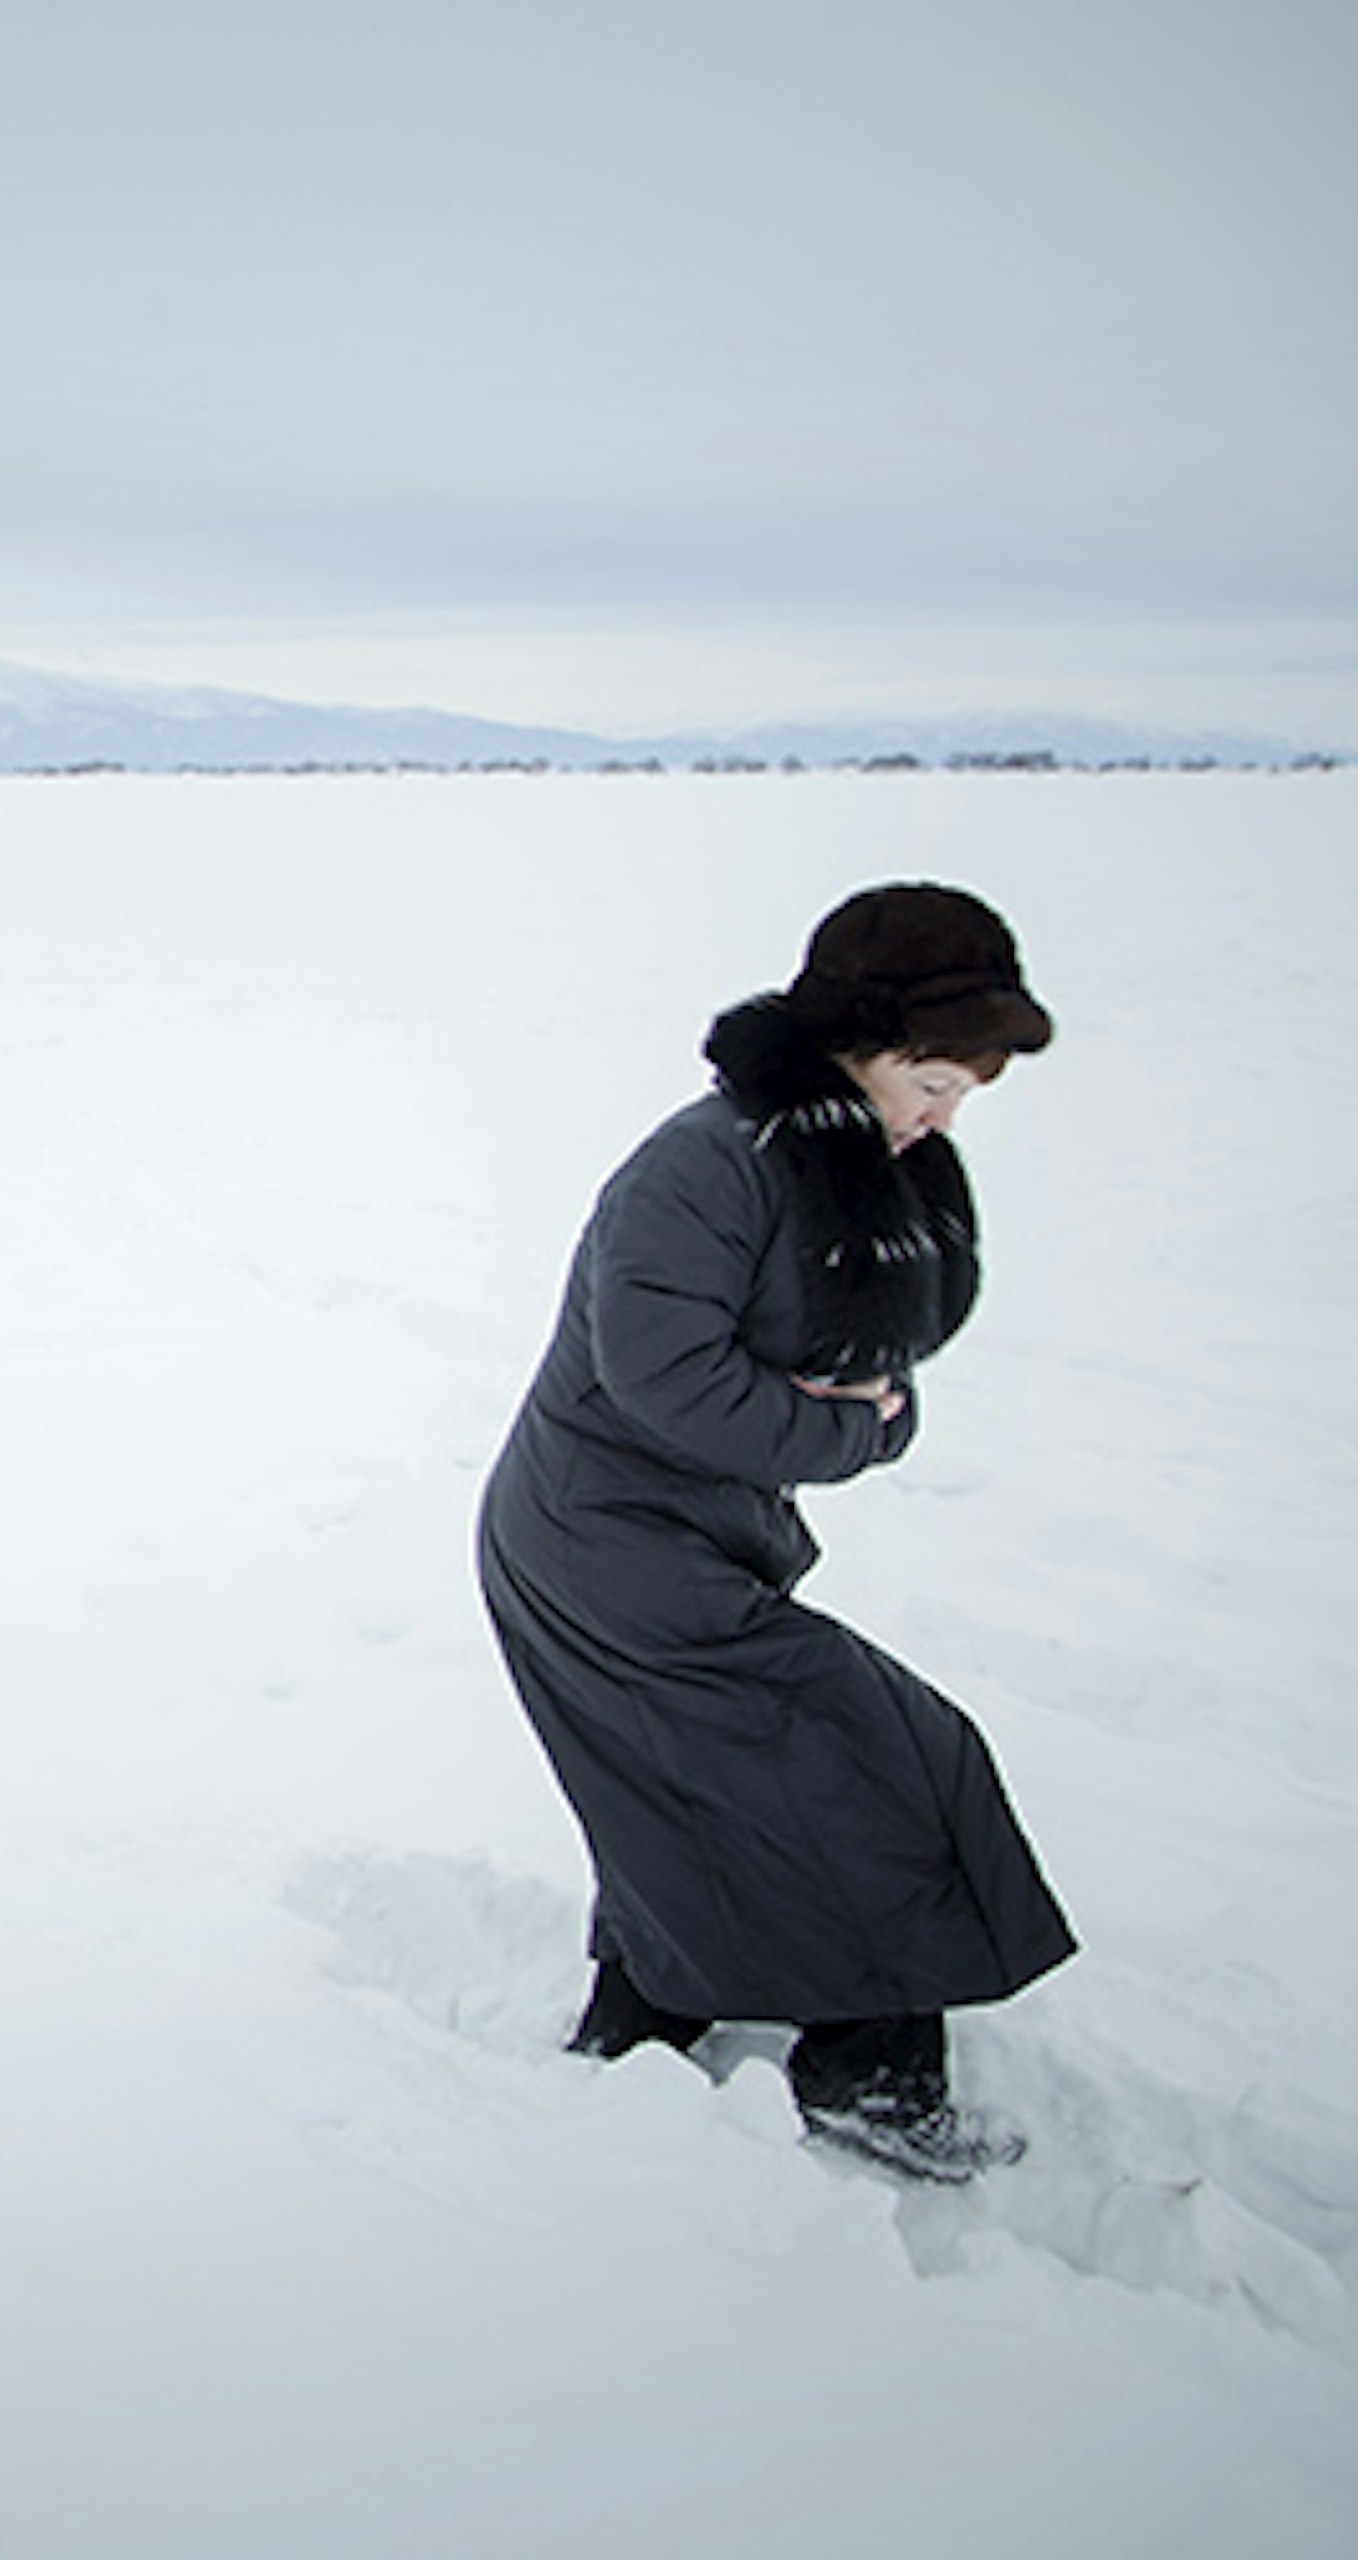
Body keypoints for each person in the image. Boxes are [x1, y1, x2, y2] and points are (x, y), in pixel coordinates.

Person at [474, 882, 1077, 2183]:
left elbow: (882, 1369)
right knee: (878, 1760)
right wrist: (848, 1429)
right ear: (854, 1044)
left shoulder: (848, 1163)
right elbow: (672, 1382)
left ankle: (637, 2031)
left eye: (965, 1097)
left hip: (678, 1534)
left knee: (691, 1782)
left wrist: (858, 1413)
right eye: (930, 1079)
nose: (941, 1118)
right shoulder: (700, 1167)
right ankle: (873, 2081)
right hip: (603, 1542)